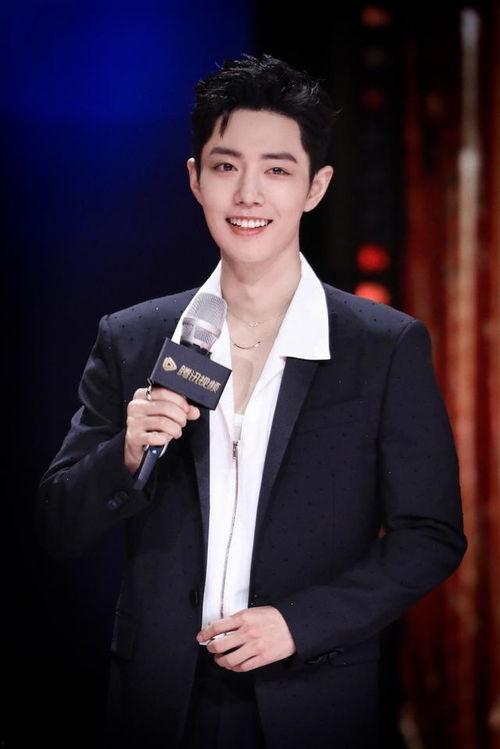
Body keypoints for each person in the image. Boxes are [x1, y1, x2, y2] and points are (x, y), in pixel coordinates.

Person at [38, 53, 467, 749]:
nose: (247, 194)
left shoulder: (381, 346)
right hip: (158, 702)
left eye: (276, 170)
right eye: (225, 165)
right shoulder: (135, 336)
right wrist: (126, 454)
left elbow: (431, 535)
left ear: (316, 186)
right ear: (195, 178)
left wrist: (301, 623)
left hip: (310, 697)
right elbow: (57, 523)